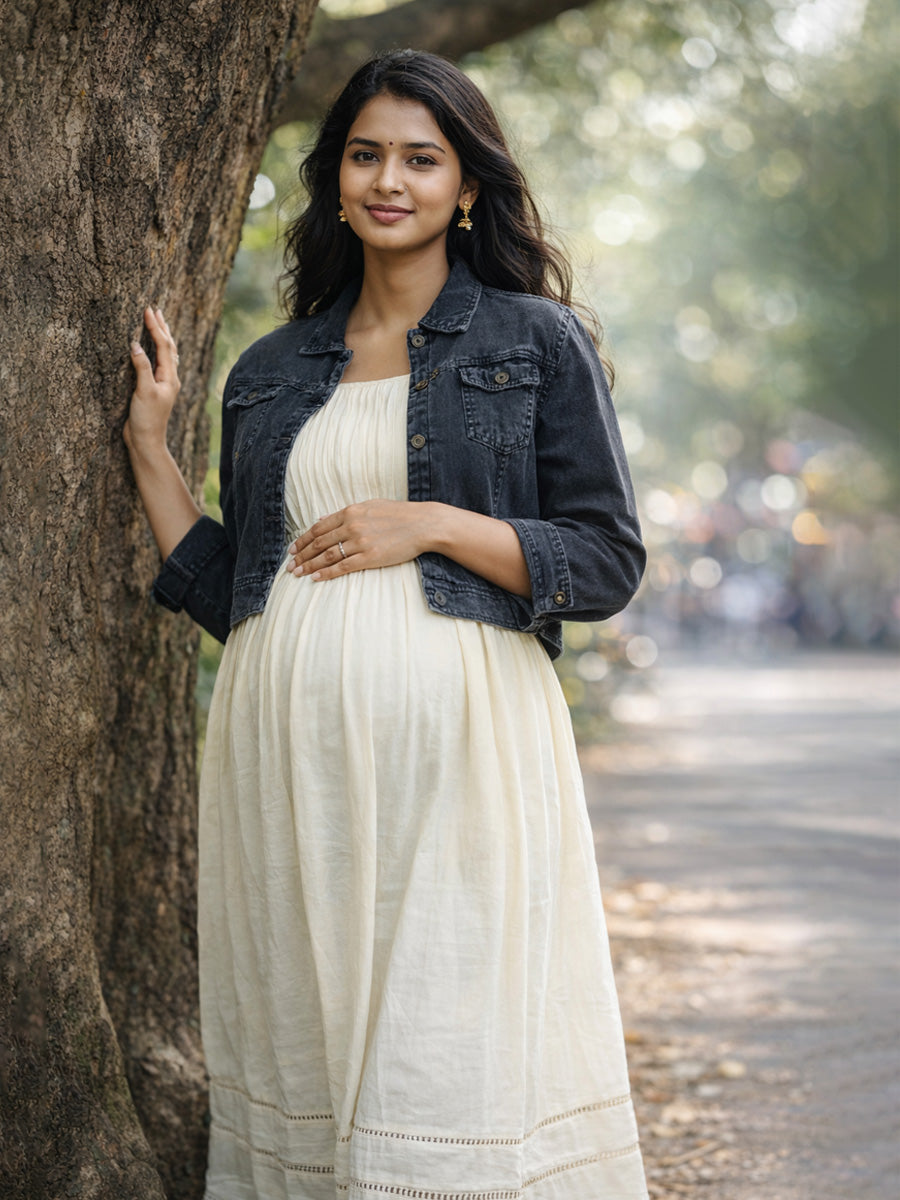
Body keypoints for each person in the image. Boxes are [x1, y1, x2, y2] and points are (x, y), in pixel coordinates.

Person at [125, 49, 649, 1200]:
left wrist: (435, 524)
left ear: (468, 186)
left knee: (440, 1029)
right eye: (366, 155)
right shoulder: (268, 373)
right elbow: (234, 593)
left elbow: (608, 560)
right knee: (311, 1033)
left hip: (459, 750)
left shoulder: (534, 342)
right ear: (337, 178)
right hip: (288, 765)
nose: (389, 180)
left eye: (422, 157)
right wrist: (152, 452)